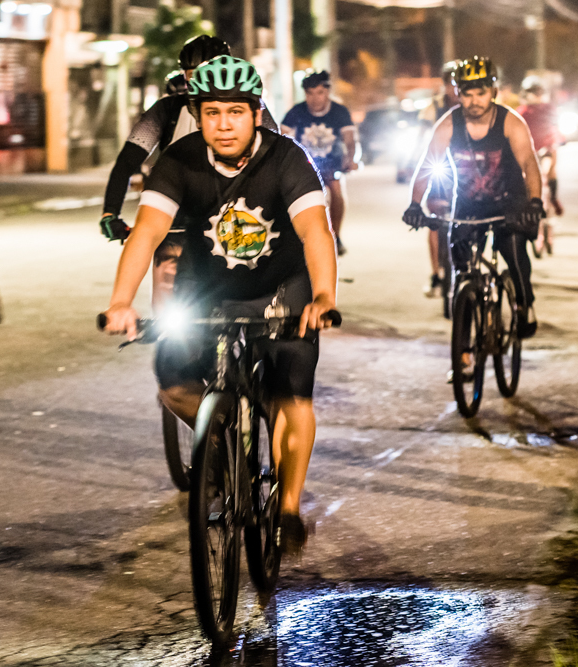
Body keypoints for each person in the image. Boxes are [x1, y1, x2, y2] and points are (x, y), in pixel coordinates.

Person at [100, 56, 338, 552]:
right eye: (211, 113)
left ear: (256, 113)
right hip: (206, 287)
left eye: (235, 112)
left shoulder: (287, 158)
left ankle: (289, 506)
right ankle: (225, 438)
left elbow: (315, 231)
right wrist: (121, 301)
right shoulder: (179, 160)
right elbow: (146, 233)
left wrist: (322, 297)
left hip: (281, 289)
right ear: (197, 114)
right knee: (173, 381)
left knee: (291, 397)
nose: (224, 124)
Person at [99, 34, 278, 312]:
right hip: (178, 218)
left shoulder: (251, 108)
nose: (201, 84)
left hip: (237, 216)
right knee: (167, 309)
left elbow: (275, 162)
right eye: (192, 76)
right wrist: (110, 212)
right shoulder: (166, 111)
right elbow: (126, 163)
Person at [403, 56, 544, 340]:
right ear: (458, 93)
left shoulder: (510, 123)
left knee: (514, 251)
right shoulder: (448, 125)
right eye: (467, 94)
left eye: (480, 93)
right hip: (467, 206)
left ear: (493, 91)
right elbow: (427, 165)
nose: (473, 101)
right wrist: (415, 204)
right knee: (462, 278)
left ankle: (524, 304)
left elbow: (529, 164)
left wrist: (535, 202)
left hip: (509, 204)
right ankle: (464, 354)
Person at [282, 70, 360, 256]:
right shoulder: (296, 112)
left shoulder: (339, 112)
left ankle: (336, 236)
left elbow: (350, 141)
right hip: (305, 162)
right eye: (310, 93)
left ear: (327, 92)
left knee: (336, 190)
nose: (315, 98)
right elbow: (282, 137)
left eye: (320, 93)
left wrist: (350, 159)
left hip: (332, 161)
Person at [418, 61, 458, 298]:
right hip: (439, 167)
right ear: (443, 85)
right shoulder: (433, 108)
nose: (455, 90)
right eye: (450, 84)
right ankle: (436, 274)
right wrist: (411, 162)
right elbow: (421, 139)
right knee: (434, 220)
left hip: (464, 170)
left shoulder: (472, 107)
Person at [517, 75, 563, 256]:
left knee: (549, 170)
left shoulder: (550, 110)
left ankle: (553, 198)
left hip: (546, 150)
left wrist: (558, 141)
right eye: (532, 92)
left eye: (538, 92)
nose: (536, 96)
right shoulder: (520, 112)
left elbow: (557, 130)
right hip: (528, 153)